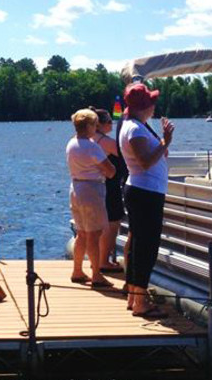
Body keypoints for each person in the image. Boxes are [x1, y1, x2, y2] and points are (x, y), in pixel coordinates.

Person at [118, 82, 174, 319]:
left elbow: (152, 157)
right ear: (145, 106)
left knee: (140, 244)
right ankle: (140, 300)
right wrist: (165, 141)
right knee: (146, 247)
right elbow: (145, 161)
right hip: (145, 193)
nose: (154, 106)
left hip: (143, 191)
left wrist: (161, 144)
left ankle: (134, 295)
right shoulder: (136, 130)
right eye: (151, 102)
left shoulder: (136, 125)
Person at [66, 108, 116, 288]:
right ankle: (96, 275)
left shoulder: (71, 143)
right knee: (94, 235)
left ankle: (77, 270)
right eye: (95, 124)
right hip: (91, 190)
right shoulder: (92, 146)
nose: (96, 127)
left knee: (81, 233)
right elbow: (110, 171)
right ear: (88, 126)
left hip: (75, 188)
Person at [90, 107, 126, 273]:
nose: (113, 124)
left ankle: (96, 260)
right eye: (110, 121)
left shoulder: (89, 139)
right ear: (100, 125)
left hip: (96, 186)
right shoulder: (105, 141)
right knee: (112, 225)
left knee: (99, 226)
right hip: (110, 187)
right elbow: (126, 153)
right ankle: (103, 261)